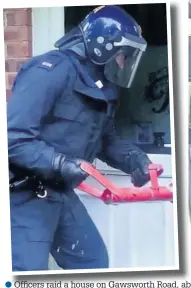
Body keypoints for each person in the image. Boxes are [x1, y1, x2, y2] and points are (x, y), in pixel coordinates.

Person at [7, 5, 157, 271]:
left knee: (92, 263)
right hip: (25, 194)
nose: (124, 62)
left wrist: (136, 159)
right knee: (26, 272)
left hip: (61, 191)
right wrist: (59, 162)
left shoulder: (101, 83)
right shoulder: (50, 71)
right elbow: (11, 137)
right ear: (104, 45)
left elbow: (104, 139)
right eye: (123, 54)